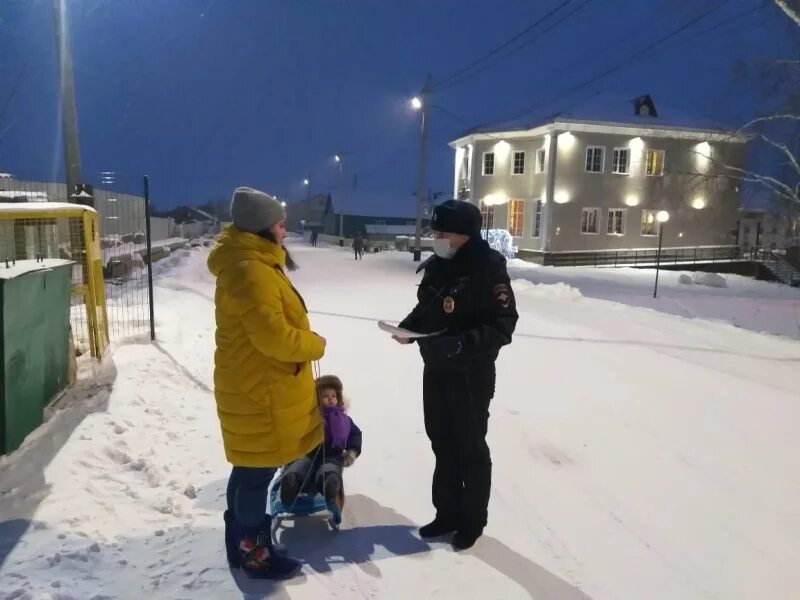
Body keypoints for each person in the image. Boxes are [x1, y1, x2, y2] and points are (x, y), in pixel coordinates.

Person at [208, 186, 327, 579]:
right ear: (262, 229)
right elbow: (274, 337)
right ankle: (254, 553)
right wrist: (314, 344)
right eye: (280, 224)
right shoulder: (251, 271)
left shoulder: (248, 262)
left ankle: (238, 542)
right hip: (260, 391)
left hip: (252, 384)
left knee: (247, 470)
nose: (285, 231)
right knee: (256, 475)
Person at [395, 199, 518, 551]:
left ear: (464, 235)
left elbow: (503, 325)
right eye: (436, 232)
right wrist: (409, 328)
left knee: (470, 447)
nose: (438, 238)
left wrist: (463, 344)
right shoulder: (439, 265)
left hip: (470, 374)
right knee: (441, 442)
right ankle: (446, 513)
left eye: (443, 233)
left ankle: (472, 520)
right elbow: (427, 307)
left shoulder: (488, 267)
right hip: (435, 368)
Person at [279, 375, 362, 517]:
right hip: (308, 453)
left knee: (328, 470)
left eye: (333, 395)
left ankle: (330, 486)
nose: (330, 398)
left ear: (339, 398)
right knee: (300, 467)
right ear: (317, 399)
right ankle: (290, 484)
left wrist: (352, 452)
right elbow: (295, 433)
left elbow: (355, 434)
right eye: (325, 396)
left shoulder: (344, 419)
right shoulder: (310, 418)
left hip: (332, 456)